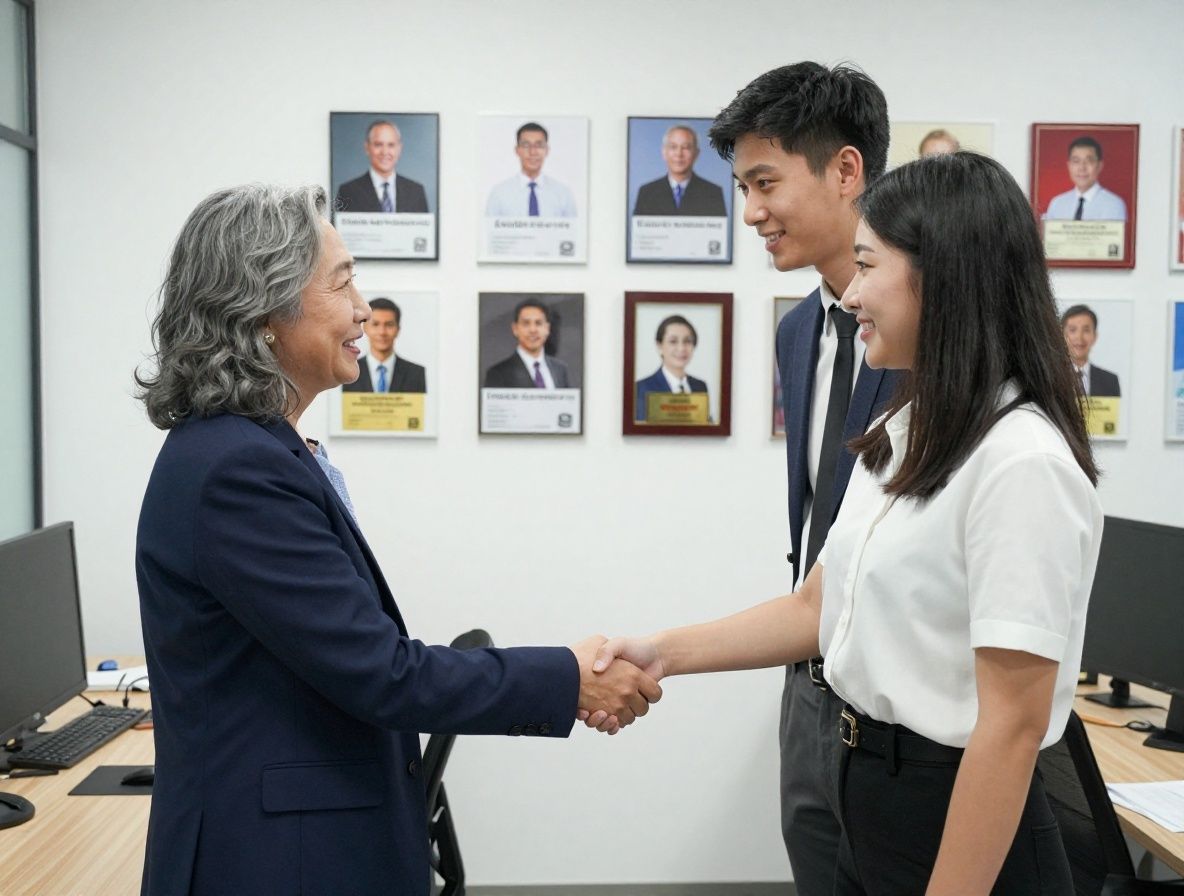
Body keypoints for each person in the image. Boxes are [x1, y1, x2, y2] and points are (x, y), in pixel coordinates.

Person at [590, 151, 1102, 894]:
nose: (852, 293)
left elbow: (1012, 728)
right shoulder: (908, 427)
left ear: (943, 279)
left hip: (956, 817)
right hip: (866, 794)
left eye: (867, 267)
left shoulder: (1021, 463)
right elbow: (816, 606)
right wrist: (661, 652)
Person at [132, 184, 659, 896]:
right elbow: (382, 673)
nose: (363, 310)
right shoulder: (235, 470)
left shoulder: (255, 450)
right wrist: (569, 677)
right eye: (343, 283)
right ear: (263, 314)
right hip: (269, 861)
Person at [704, 61, 900, 895]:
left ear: (845, 170)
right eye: (743, 186)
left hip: (901, 711)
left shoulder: (941, 338)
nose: (750, 211)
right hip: (809, 689)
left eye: (764, 183)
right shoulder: (798, 334)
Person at [334, 120, 430, 214]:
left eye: (391, 145)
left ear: (399, 148)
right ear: (367, 148)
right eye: (378, 145)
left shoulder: (416, 192)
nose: (384, 152)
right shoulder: (348, 192)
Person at [485, 122, 578, 218]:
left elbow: (574, 231)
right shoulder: (499, 193)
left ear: (547, 150)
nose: (533, 152)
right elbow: (489, 231)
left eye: (539, 145)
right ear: (517, 150)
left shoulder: (563, 194)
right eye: (526, 145)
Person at [633, 125, 727, 216]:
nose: (679, 154)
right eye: (673, 147)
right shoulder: (646, 193)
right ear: (664, 152)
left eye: (686, 147)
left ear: (696, 153)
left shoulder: (713, 193)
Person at [344, 297, 427, 394]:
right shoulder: (348, 371)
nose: (382, 332)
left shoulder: (416, 374)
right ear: (365, 328)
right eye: (375, 324)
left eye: (389, 325)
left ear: (398, 330)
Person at [634, 315, 708, 422]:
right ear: (659, 346)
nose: (681, 348)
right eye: (673, 341)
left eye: (687, 341)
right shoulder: (640, 388)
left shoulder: (700, 386)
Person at [483, 298, 572, 388]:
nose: (533, 330)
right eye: (526, 323)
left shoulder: (560, 370)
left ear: (547, 329)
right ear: (515, 329)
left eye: (538, 323)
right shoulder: (497, 374)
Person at [1043, 136, 1128, 221]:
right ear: (1069, 166)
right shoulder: (1057, 204)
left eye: (1089, 161)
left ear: (1099, 166)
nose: (1082, 167)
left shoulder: (1114, 204)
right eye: (1076, 161)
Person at [1061, 304, 1121, 398]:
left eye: (1086, 330)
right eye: (1073, 330)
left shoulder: (1110, 381)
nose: (1079, 337)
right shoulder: (1051, 379)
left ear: (1094, 336)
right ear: (1063, 336)